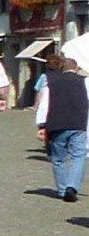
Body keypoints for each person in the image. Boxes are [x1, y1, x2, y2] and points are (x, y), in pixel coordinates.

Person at [35, 57, 86, 202]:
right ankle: (72, 186)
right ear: (76, 68)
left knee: (58, 159)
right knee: (78, 157)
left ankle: (63, 190)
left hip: (57, 124)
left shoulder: (50, 82)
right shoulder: (84, 81)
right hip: (78, 124)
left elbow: (44, 104)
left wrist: (41, 125)